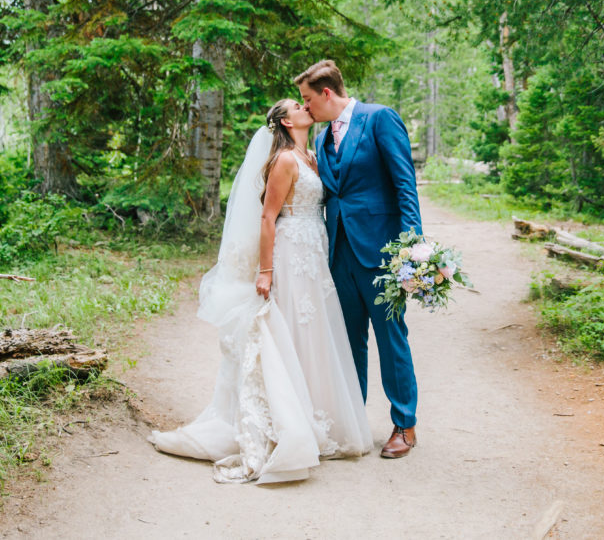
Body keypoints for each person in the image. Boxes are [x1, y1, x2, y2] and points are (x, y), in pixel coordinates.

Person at [148, 99, 372, 484]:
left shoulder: (312, 154)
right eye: (297, 105)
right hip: (289, 254)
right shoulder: (285, 159)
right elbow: (268, 217)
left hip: (313, 253)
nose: (306, 106)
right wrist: (265, 271)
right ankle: (282, 425)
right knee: (287, 331)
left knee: (312, 334)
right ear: (287, 120)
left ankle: (314, 415)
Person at [297, 60, 423, 459]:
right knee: (348, 345)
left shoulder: (380, 119)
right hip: (338, 255)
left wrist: (412, 251)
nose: (306, 108)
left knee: (391, 341)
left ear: (327, 94)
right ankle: (353, 424)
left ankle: (405, 425)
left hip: (382, 254)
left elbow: (405, 185)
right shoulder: (320, 141)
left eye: (308, 100)